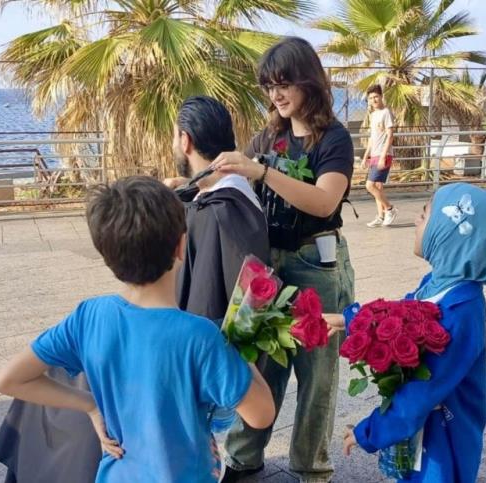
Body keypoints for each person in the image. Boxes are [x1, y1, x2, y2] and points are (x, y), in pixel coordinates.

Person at [0, 97, 271, 483]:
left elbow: (10, 379)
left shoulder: (89, 316)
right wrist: (242, 345)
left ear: (106, 255)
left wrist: (89, 406)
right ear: (180, 247)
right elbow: (261, 414)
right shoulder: (200, 337)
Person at [210, 37, 355, 483]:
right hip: (269, 265)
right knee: (262, 362)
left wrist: (262, 171)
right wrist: (196, 181)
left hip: (317, 263)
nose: (276, 94)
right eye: (269, 85)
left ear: (308, 80)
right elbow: (237, 185)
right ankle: (242, 457)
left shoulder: (333, 138)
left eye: (284, 82)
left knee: (317, 374)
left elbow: (325, 201)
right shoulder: (268, 137)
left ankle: (311, 467)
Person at [327, 183, 486, 482]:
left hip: (444, 435)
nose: (417, 220)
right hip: (422, 429)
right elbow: (399, 313)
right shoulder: (437, 282)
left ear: (449, 235)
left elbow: (421, 393)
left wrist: (371, 431)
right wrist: (349, 319)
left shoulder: (461, 311)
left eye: (424, 214)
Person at [166, 95, 271, 321]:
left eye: (174, 137)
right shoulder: (229, 197)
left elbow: (247, 308)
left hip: (210, 346)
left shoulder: (219, 210)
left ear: (186, 140)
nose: (173, 145)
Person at [361, 84, 398, 227]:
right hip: (374, 154)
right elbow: (372, 137)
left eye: (376, 96)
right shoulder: (373, 115)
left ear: (381, 96)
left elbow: (390, 136)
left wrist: (383, 156)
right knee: (377, 187)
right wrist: (366, 156)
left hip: (384, 154)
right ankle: (381, 216)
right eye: (370, 98)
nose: (374, 100)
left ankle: (390, 209)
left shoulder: (386, 112)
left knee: (369, 186)